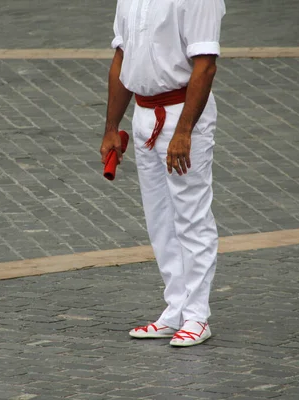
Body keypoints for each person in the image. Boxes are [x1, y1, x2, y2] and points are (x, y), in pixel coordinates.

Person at [100, 0, 226, 347]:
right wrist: (112, 127)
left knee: (191, 216)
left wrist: (184, 131)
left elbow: (205, 67)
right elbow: (121, 59)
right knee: (160, 218)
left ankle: (197, 316)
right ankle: (176, 309)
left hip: (182, 114)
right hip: (143, 115)